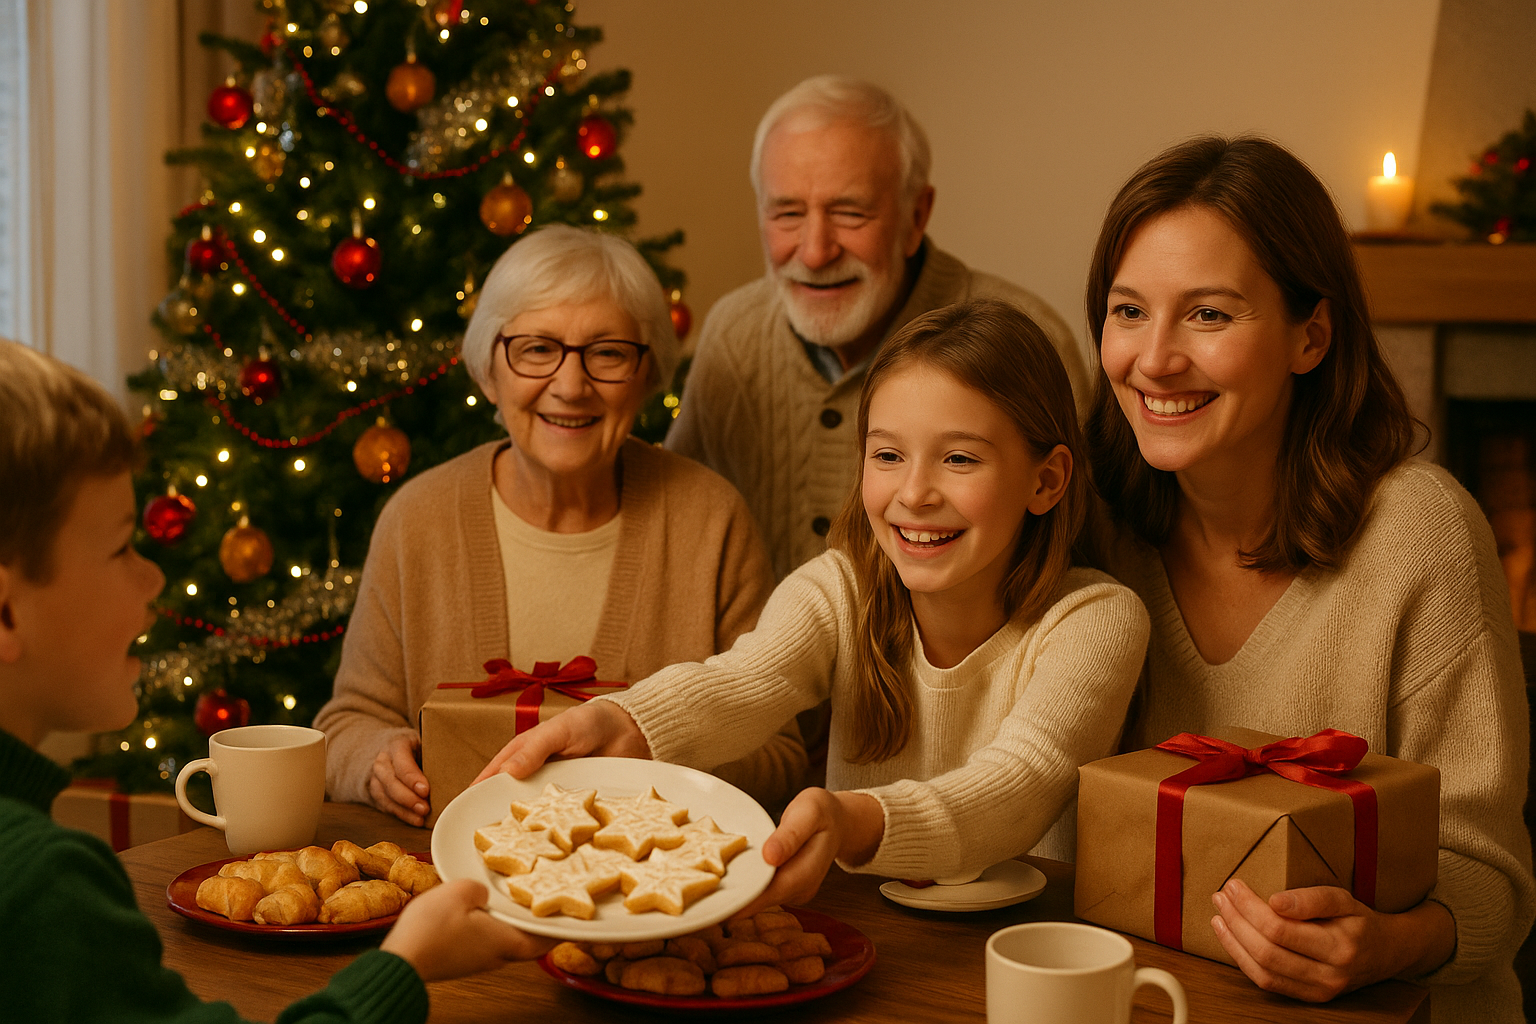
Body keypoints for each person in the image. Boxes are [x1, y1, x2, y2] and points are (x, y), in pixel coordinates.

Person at [478, 298, 1149, 912]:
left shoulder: (1096, 621)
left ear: (1047, 478)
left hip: (1029, 949)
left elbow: (1019, 784)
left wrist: (854, 818)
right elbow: (743, 682)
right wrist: (626, 720)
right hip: (868, 935)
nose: (913, 494)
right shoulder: (839, 588)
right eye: (887, 454)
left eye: (960, 460)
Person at [1083, 136, 1535, 1022]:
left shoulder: (1420, 534)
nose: (1156, 358)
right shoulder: (1091, 527)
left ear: (1310, 336)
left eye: (1209, 315)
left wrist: (1393, 942)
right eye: (1128, 311)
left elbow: (1496, 882)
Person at [0, 339, 553, 1023]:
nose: (154, 578)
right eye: (121, 548)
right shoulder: (41, 890)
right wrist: (405, 967)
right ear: (5, 613)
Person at [315, 226, 804, 826]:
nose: (571, 387)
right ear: (488, 369)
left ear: (647, 376)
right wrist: (373, 761)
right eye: (537, 349)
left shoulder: (712, 520)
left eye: (607, 353)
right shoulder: (417, 519)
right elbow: (342, 727)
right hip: (450, 897)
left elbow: (782, 754)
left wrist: (660, 746)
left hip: (652, 896)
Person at [667, 75, 1089, 582]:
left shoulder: (1027, 339)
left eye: (850, 213)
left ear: (917, 216)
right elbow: (676, 520)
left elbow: (1084, 557)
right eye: (787, 213)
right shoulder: (733, 334)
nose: (816, 250)